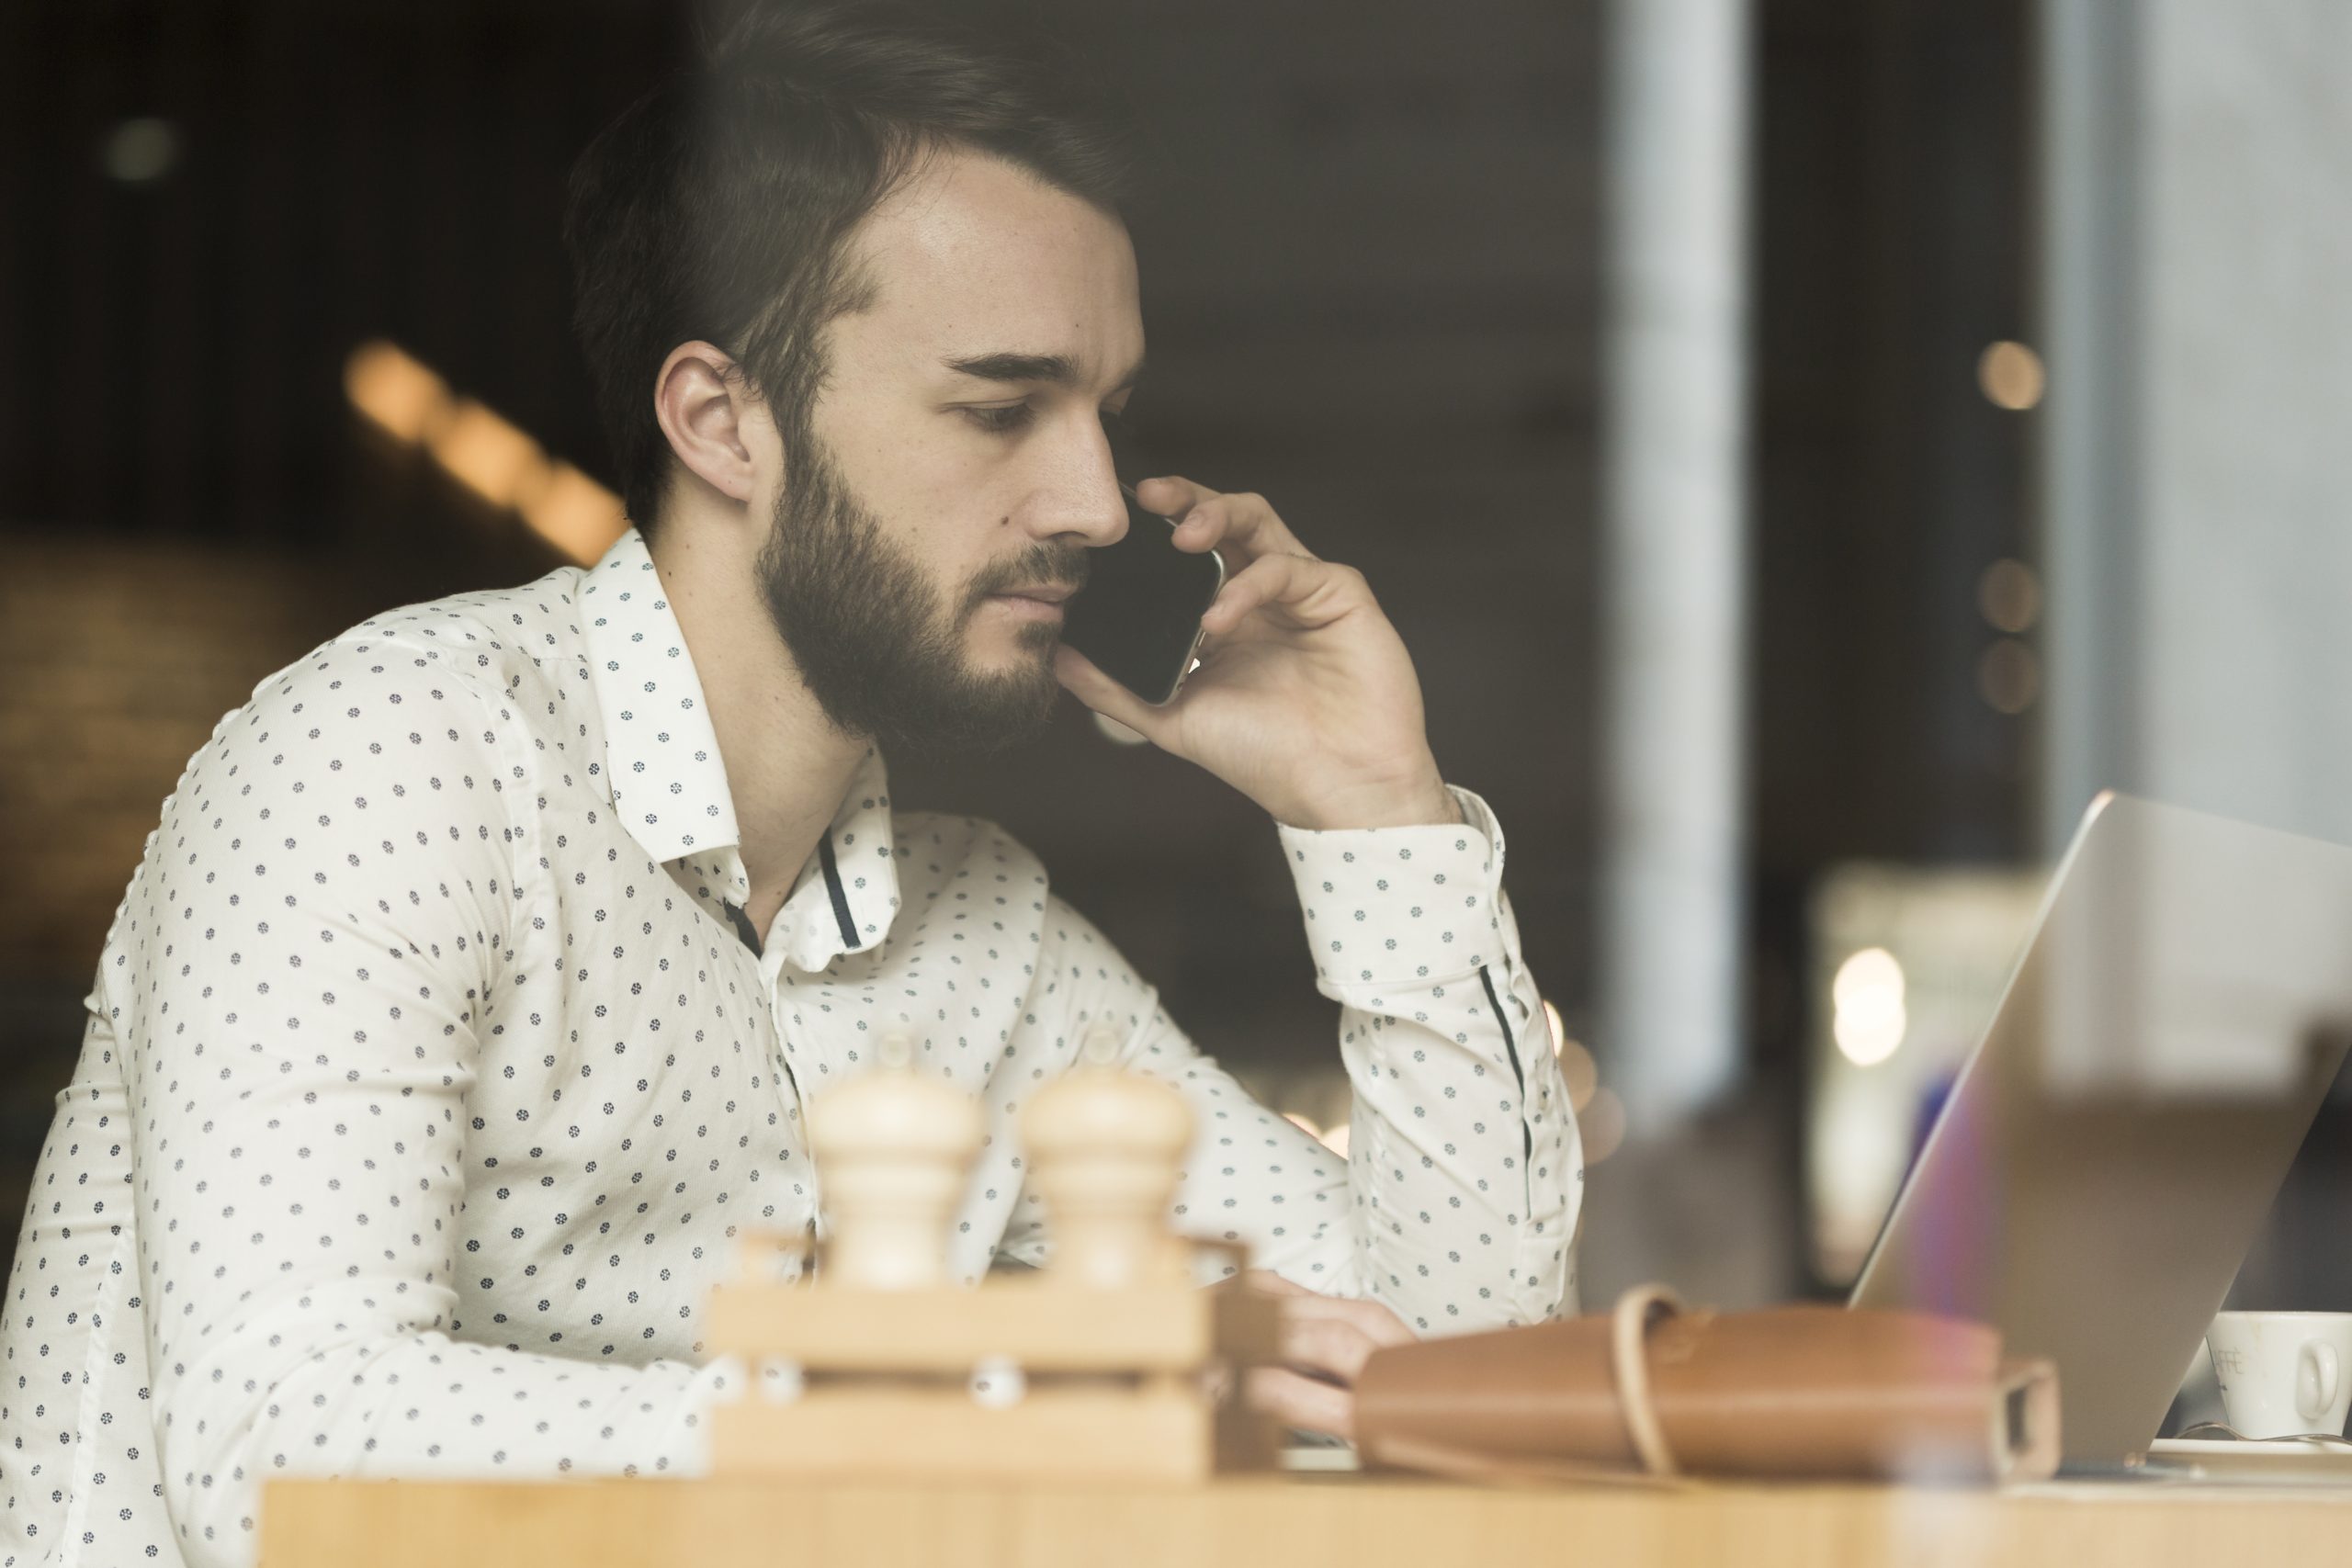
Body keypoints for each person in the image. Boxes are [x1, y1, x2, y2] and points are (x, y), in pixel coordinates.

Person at [0, 5, 1578, 1564]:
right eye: (998, 405)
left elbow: (1455, 1396)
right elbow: (278, 1454)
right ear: (722, 419)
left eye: (1105, 412)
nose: (1096, 501)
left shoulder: (988, 949)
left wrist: (1377, 812)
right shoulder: (393, 760)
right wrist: (1011, 1399)